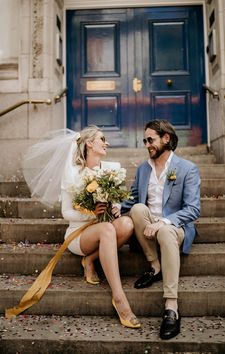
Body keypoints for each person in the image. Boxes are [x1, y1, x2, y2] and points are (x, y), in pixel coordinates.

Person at [121, 119, 201, 339]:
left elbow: (193, 209)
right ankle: (155, 266)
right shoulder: (143, 169)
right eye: (145, 140)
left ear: (166, 139)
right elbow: (133, 199)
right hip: (148, 226)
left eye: (151, 139)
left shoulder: (187, 169)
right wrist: (116, 207)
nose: (147, 144)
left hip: (174, 226)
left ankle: (171, 306)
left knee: (165, 231)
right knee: (137, 209)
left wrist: (163, 222)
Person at [61, 125, 140, 329]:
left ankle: (90, 260)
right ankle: (119, 297)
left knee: (127, 223)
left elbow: (117, 201)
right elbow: (66, 212)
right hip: (80, 233)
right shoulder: (73, 173)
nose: (107, 143)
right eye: (102, 139)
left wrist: (115, 209)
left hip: (105, 226)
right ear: (89, 144)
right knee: (107, 229)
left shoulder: (112, 168)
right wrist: (89, 214)